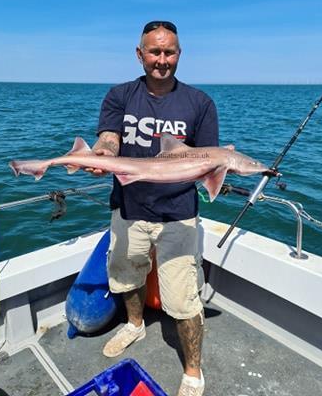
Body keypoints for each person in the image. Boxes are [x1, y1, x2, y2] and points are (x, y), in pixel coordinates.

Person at [90, 21, 218, 396]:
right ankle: (134, 324)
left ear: (179, 54)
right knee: (127, 277)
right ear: (140, 53)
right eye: (155, 51)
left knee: (182, 298)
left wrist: (217, 176)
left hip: (178, 213)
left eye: (170, 52)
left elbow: (208, 159)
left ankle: (193, 370)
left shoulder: (200, 103)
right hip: (128, 207)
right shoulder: (120, 95)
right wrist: (104, 153)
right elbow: (110, 137)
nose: (162, 60)